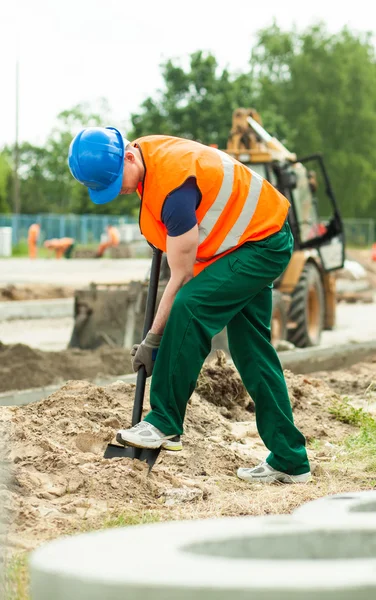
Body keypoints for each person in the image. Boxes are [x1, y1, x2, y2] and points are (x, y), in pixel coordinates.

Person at [68, 127, 311, 484]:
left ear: (129, 156)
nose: (119, 189)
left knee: (190, 308)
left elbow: (180, 276)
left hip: (261, 244)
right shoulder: (148, 158)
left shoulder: (174, 186)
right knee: (252, 352)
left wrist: (154, 339)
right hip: (247, 240)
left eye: (118, 179)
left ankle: (164, 422)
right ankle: (291, 460)